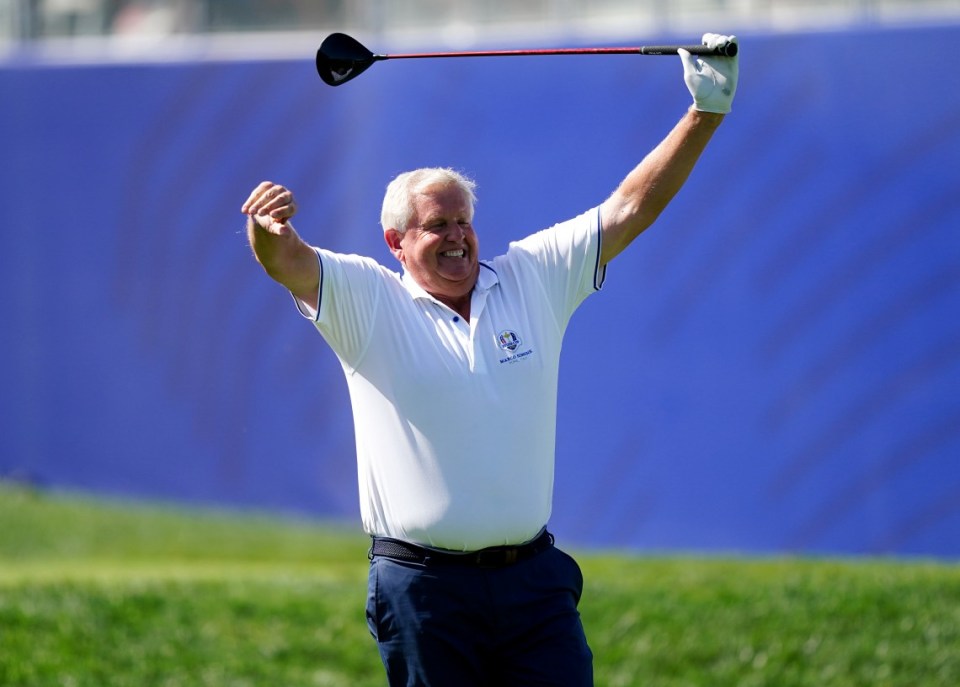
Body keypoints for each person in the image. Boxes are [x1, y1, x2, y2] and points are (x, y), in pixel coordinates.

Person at [241, 33, 738, 687]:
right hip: (424, 587)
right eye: (437, 225)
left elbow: (630, 207)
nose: (457, 236)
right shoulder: (369, 299)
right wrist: (264, 230)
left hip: (533, 583)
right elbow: (289, 263)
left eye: (464, 221)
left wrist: (706, 111)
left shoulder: (532, 276)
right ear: (395, 241)